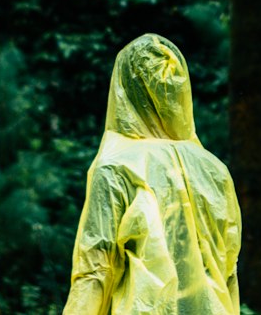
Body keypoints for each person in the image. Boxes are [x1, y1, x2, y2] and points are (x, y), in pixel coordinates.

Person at [62, 33, 242, 315]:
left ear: (125, 88)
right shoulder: (214, 170)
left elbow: (95, 272)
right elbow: (228, 272)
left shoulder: (115, 166)